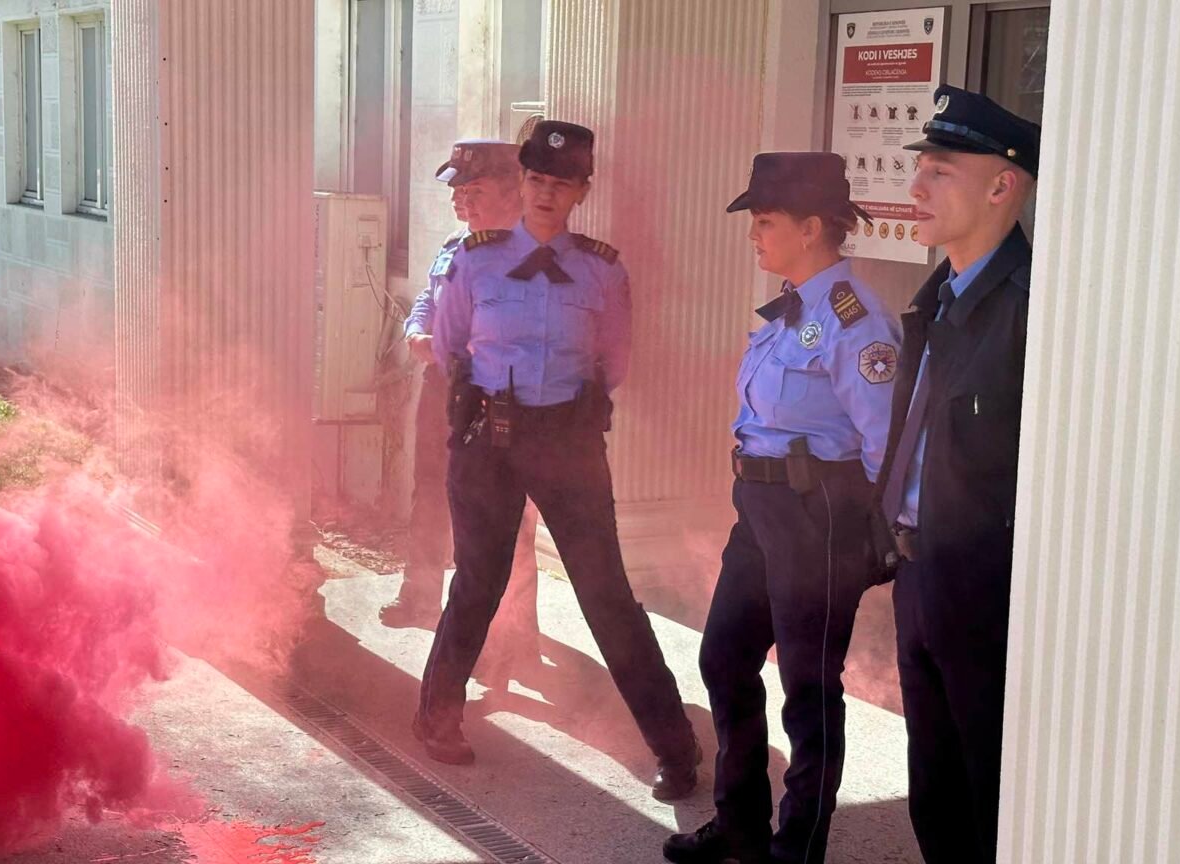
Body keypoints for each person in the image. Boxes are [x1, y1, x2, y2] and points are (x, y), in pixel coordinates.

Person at [413, 120, 702, 802]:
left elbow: (615, 361)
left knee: (607, 596)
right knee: (478, 583)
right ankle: (437, 715)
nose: (546, 194)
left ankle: (674, 744)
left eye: (560, 184)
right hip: (489, 442)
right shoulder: (473, 260)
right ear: (524, 183)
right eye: (536, 180)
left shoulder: (603, 271)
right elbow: (453, 350)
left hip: (569, 446)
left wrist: (562, 416)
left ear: (581, 191)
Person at [663, 153, 901, 864]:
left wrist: (870, 536)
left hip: (817, 514)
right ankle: (740, 824)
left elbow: (885, 441)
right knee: (724, 655)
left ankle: (797, 848)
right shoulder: (793, 309)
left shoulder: (855, 320)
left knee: (807, 685)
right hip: (762, 511)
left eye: (764, 222)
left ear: (811, 226)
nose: (753, 236)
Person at [878, 84, 1039, 864]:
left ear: (1003, 185)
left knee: (990, 792)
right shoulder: (935, 295)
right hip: (919, 578)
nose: (915, 188)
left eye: (939, 172)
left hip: (986, 592)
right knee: (933, 787)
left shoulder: (1031, 310)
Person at [387, 138, 544, 684]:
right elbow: (432, 294)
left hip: (494, 394)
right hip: (444, 388)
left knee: (506, 513)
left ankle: (517, 630)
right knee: (430, 484)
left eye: (472, 191)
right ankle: (420, 594)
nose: (460, 201)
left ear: (511, 191)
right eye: (457, 191)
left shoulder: (530, 252)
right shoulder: (460, 241)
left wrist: (458, 348)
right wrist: (416, 329)